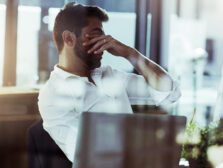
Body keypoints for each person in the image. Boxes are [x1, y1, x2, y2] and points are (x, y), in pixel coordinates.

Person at [38, 2, 181, 162]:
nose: (105, 42)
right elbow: (89, 156)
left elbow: (170, 92)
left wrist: (130, 54)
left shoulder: (110, 75)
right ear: (69, 38)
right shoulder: (52, 95)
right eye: (96, 35)